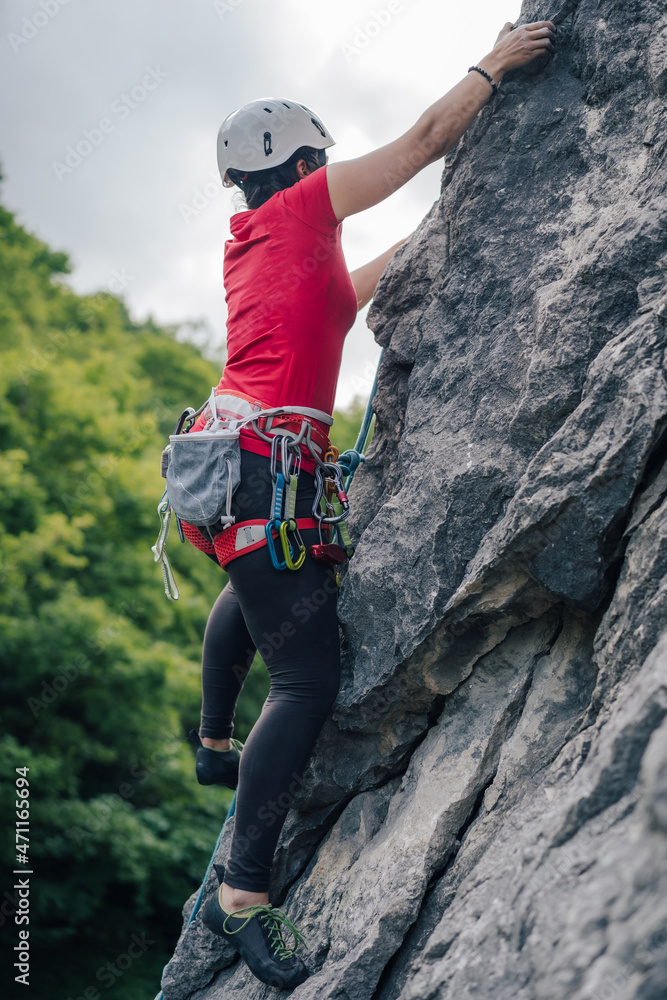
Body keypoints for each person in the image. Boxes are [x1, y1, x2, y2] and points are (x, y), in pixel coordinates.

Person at [187, 17, 556, 990]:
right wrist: (491, 70)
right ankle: (241, 897)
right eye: (319, 157)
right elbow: (423, 141)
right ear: (303, 159)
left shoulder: (268, 249)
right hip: (261, 472)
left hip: (232, 469)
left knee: (251, 589)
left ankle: (213, 737)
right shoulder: (303, 207)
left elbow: (363, 284)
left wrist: (462, 212)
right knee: (305, 682)